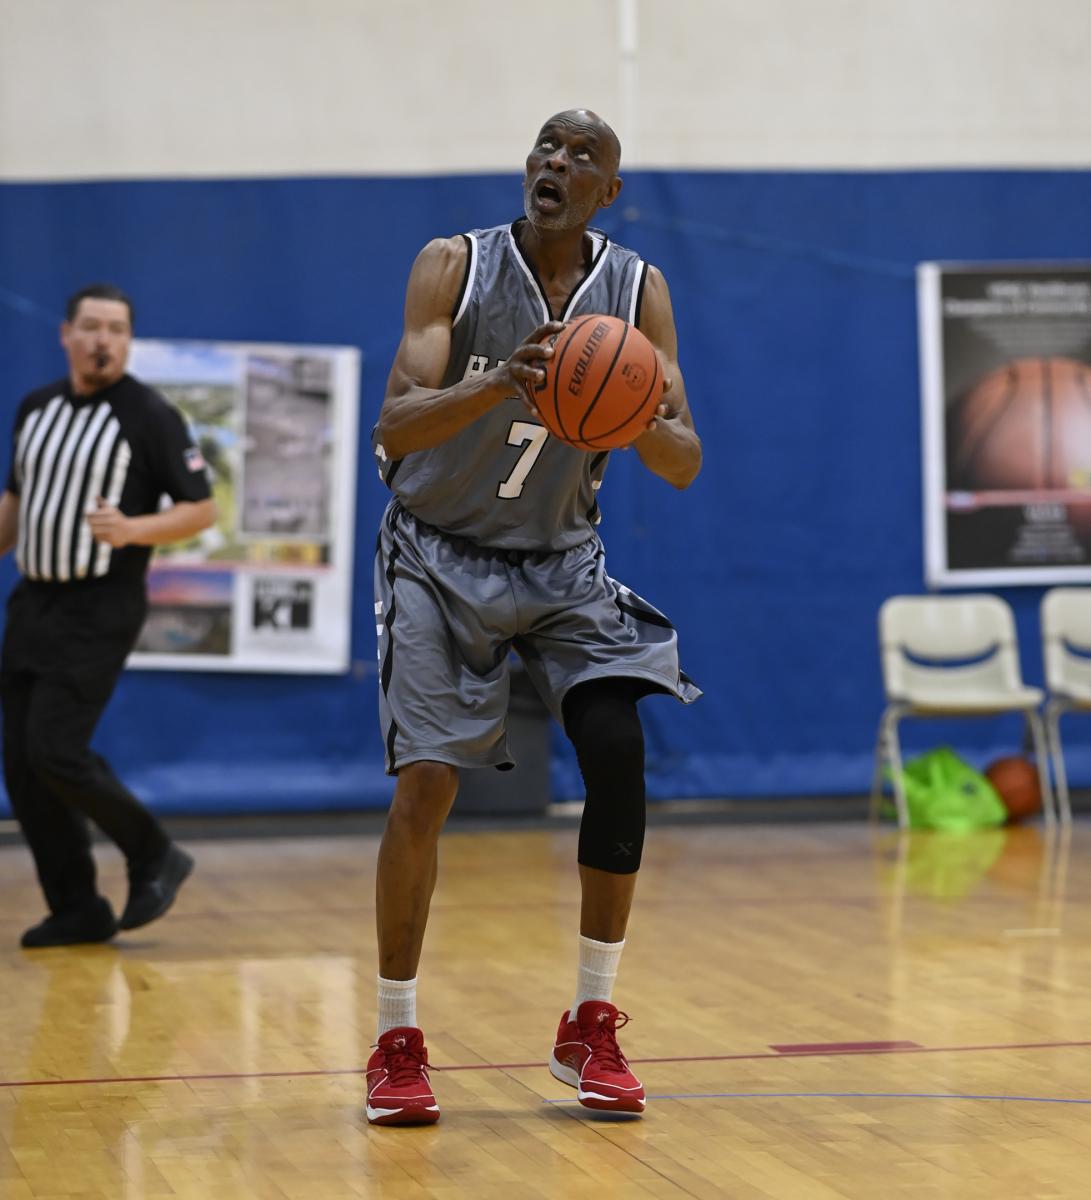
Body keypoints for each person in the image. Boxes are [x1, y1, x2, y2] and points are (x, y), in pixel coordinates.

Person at [366, 110, 702, 1126]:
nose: (555, 162)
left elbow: (684, 461)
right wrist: (497, 382)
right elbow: (394, 425)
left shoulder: (636, 291)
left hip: (560, 562)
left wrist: (636, 418)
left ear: (607, 192)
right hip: (438, 554)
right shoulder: (452, 266)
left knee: (617, 751)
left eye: (580, 156)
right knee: (427, 783)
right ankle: (396, 1038)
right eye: (546, 149)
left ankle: (590, 1023)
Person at [0, 283, 217, 948]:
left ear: (128, 341)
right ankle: (77, 908)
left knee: (55, 749)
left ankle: (154, 852)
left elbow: (201, 508)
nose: (103, 340)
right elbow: (16, 502)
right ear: (66, 334)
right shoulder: (36, 408)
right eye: (92, 327)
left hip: (101, 604)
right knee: (22, 767)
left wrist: (130, 529)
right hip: (33, 601)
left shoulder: (149, 414)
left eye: (117, 329)